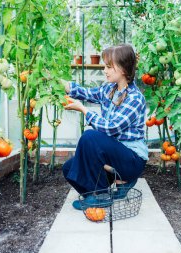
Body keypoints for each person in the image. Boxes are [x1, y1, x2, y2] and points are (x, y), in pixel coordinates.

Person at [62, 44, 148, 210]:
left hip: (131, 160)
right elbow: (85, 93)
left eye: (109, 66)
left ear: (123, 69)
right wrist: (57, 82)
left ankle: (102, 196)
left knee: (90, 136)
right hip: (112, 157)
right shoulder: (109, 89)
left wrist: (83, 110)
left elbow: (111, 128)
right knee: (69, 168)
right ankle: (97, 193)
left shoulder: (135, 98)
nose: (104, 70)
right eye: (104, 66)